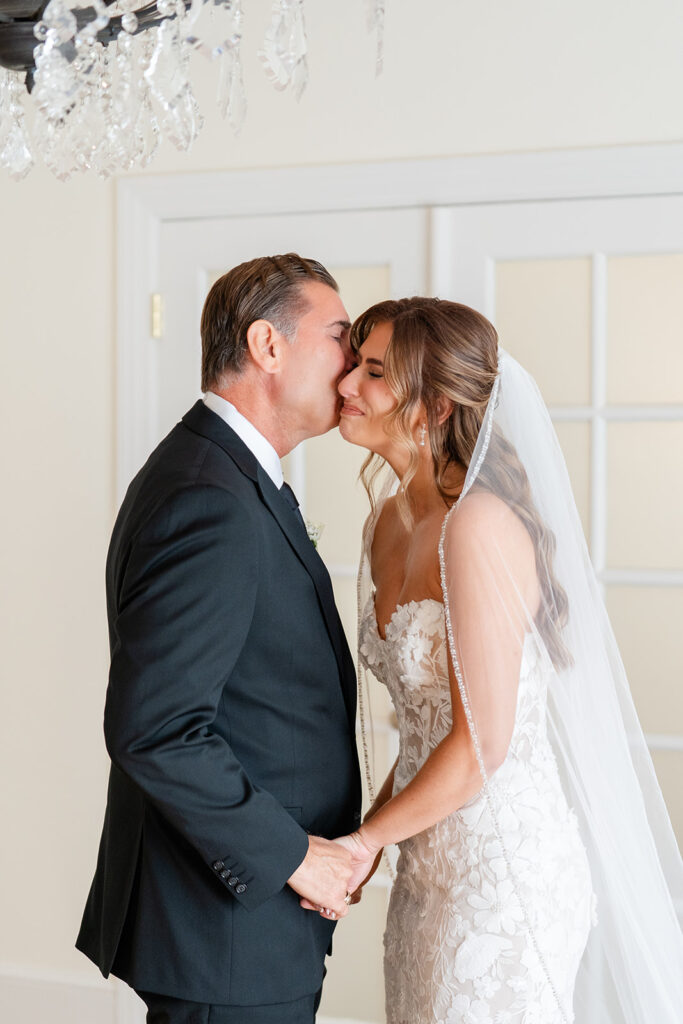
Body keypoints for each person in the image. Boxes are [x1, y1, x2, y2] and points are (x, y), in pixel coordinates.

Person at [324, 297, 683, 1023]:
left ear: (433, 407)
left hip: (503, 876)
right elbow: (426, 728)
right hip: (426, 869)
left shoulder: (478, 526)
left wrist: (362, 844)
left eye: (371, 373)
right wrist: (376, 833)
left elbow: (481, 742)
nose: (343, 387)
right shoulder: (386, 526)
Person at [76, 254, 362, 1024]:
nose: (355, 360)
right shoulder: (210, 496)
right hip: (225, 924)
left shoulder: (225, 474)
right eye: (340, 337)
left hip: (242, 919)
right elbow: (155, 729)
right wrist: (295, 855)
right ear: (268, 346)